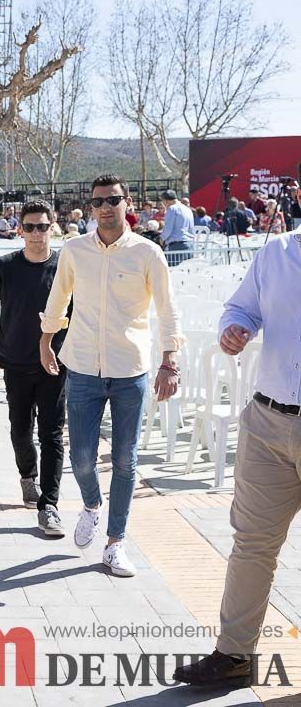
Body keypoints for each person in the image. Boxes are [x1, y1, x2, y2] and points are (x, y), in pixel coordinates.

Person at [174, 225, 301, 686]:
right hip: (268, 421)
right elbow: (242, 306)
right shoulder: (276, 252)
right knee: (251, 544)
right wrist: (238, 327)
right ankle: (234, 654)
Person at [39, 174, 182, 578]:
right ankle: (91, 505)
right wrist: (46, 338)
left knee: (125, 459)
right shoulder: (74, 250)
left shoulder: (147, 253)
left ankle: (116, 542)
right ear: (91, 205)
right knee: (82, 459)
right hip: (82, 366)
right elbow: (58, 296)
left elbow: (167, 310)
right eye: (99, 200)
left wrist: (169, 360)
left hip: (129, 370)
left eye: (113, 199)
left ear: (127, 202)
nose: (105, 207)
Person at [0, 200, 67, 536]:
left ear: (53, 225)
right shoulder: (5, 266)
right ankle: (28, 476)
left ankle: (49, 505)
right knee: (21, 431)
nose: (36, 233)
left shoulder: (65, 267)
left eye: (42, 226)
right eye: (30, 227)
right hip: (16, 364)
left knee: (52, 434)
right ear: (20, 229)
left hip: (56, 366)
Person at [159, 190, 194, 266]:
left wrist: (161, 239)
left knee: (174, 273)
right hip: (190, 245)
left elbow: (168, 229)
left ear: (166, 201)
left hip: (176, 245)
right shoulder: (188, 209)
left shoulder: (172, 209)